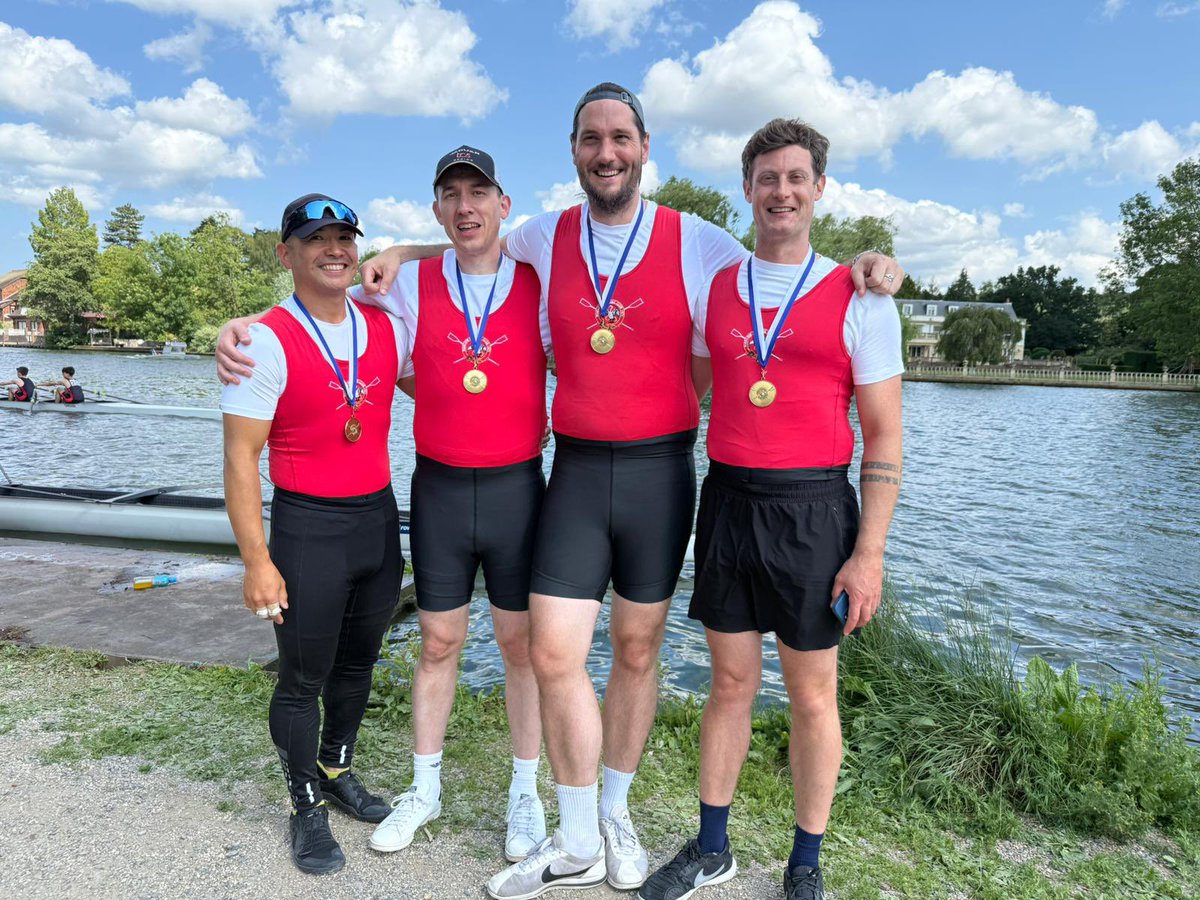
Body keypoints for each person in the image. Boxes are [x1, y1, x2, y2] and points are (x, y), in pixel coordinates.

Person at [349, 84, 906, 900]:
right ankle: (574, 833)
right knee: (552, 651)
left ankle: (615, 811)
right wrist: (399, 250)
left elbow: (769, 290)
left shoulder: (701, 241)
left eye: (620, 138)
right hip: (574, 471)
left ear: (645, 147)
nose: (606, 153)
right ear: (575, 151)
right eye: (589, 139)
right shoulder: (545, 235)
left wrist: (877, 264)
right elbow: (471, 243)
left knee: (640, 651)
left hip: (663, 474)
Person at [637, 119, 904, 900]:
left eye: (796, 178)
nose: (781, 192)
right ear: (747, 189)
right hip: (726, 500)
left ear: (819, 188)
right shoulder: (716, 286)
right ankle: (712, 848)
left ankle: (805, 860)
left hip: (815, 509)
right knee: (729, 683)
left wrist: (870, 552)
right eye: (766, 179)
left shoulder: (861, 295)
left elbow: (884, 436)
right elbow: (679, 382)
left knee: (813, 694)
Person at [358, 146, 553, 863]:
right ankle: (424, 788)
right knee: (438, 642)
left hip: (517, 491)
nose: (465, 205)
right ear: (438, 209)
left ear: (505, 205)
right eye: (451, 194)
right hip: (440, 487)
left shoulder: (538, 279)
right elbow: (341, 329)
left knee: (521, 649)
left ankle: (525, 794)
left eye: (479, 192)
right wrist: (247, 326)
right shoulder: (407, 283)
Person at [221, 194, 408, 876]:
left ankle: (336, 768)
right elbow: (240, 460)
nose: (335, 250)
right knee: (303, 678)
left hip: (378, 522)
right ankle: (303, 804)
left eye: (345, 238)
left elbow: (477, 247)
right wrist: (256, 561)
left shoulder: (386, 325)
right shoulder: (263, 340)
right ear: (287, 254)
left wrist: (404, 252)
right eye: (316, 239)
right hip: (308, 528)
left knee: (358, 664)